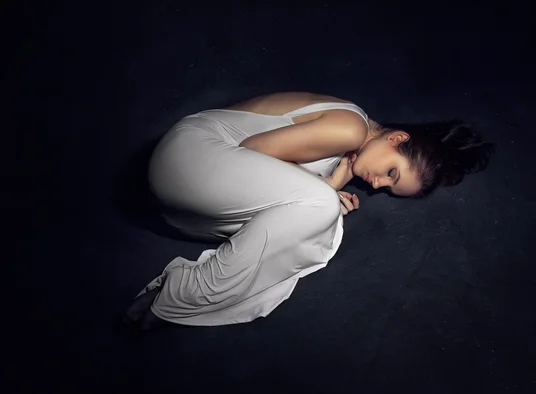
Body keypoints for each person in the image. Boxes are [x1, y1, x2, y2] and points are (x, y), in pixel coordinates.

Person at [122, 91, 494, 331]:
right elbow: (251, 152)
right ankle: (181, 296)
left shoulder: (350, 153)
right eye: (390, 171)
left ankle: (174, 296)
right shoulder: (351, 127)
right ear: (396, 138)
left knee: (323, 222)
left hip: (186, 205)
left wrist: (327, 192)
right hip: (190, 157)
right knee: (323, 211)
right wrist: (326, 191)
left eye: (388, 187)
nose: (377, 183)